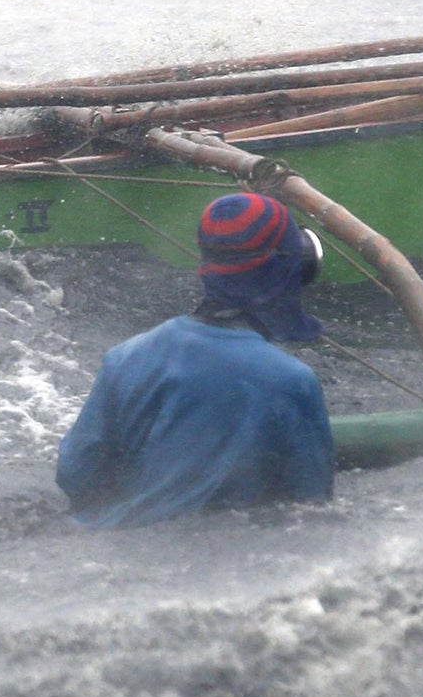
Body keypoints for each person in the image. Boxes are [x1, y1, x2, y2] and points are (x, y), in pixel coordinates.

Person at [56, 192, 335, 528]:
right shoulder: (291, 382)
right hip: (216, 558)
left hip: (111, 545)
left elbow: (76, 474)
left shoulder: (125, 358)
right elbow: (310, 503)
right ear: (294, 269)